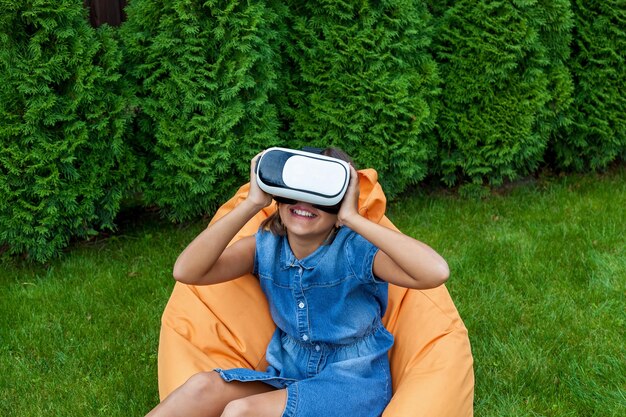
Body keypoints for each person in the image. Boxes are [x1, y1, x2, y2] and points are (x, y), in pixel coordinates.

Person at [146, 148, 450, 417]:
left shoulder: (356, 251)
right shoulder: (264, 247)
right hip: (289, 376)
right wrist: (252, 202)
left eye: (322, 194)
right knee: (201, 387)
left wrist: (354, 218)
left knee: (241, 412)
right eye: (296, 190)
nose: (305, 202)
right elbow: (187, 271)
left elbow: (434, 272)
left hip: (351, 384)